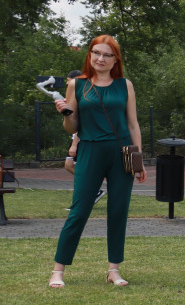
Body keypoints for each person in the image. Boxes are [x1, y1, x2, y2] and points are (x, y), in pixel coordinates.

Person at [49, 35, 146, 289]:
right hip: (90, 152)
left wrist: (139, 160)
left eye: (107, 55)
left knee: (118, 211)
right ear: (90, 55)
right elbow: (72, 125)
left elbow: (133, 124)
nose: (101, 59)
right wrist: (64, 114)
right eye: (97, 53)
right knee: (79, 211)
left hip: (121, 152)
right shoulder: (77, 85)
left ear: (115, 60)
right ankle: (58, 270)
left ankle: (114, 270)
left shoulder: (125, 86)